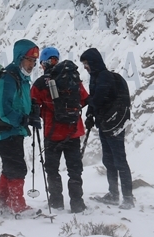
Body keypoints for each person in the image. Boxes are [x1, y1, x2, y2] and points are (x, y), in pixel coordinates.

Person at [30, 47, 89, 213]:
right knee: (74, 170)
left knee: (52, 169)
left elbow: (31, 104)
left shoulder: (41, 83)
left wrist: (45, 113)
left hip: (52, 133)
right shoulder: (73, 78)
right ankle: (77, 203)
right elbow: (84, 99)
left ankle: (56, 202)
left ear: (44, 63)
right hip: (73, 132)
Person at [80, 47, 134, 210]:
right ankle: (114, 194)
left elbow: (99, 98)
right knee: (110, 160)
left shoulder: (103, 77)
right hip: (106, 123)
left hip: (113, 123)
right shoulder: (96, 77)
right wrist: (90, 115)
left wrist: (91, 111)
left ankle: (127, 198)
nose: (85, 67)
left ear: (93, 62)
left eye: (86, 63)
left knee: (118, 160)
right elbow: (95, 99)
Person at [0, 39, 40, 215]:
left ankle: (1, 204)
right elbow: (4, 110)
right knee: (17, 167)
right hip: (5, 131)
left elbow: (21, 103)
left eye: (34, 61)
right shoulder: (9, 77)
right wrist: (23, 120)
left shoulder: (22, 78)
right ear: (20, 58)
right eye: (29, 60)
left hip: (13, 131)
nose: (32, 64)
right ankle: (17, 206)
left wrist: (32, 110)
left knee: (10, 166)